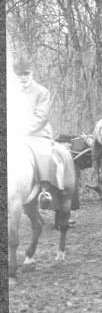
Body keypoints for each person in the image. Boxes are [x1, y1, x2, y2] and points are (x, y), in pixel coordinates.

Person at [12, 57, 76, 214]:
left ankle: (44, 190)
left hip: (37, 134)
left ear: (31, 73)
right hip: (14, 134)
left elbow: (41, 116)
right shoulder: (11, 92)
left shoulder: (42, 92)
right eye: (19, 75)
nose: (23, 78)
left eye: (26, 74)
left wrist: (23, 130)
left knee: (44, 154)